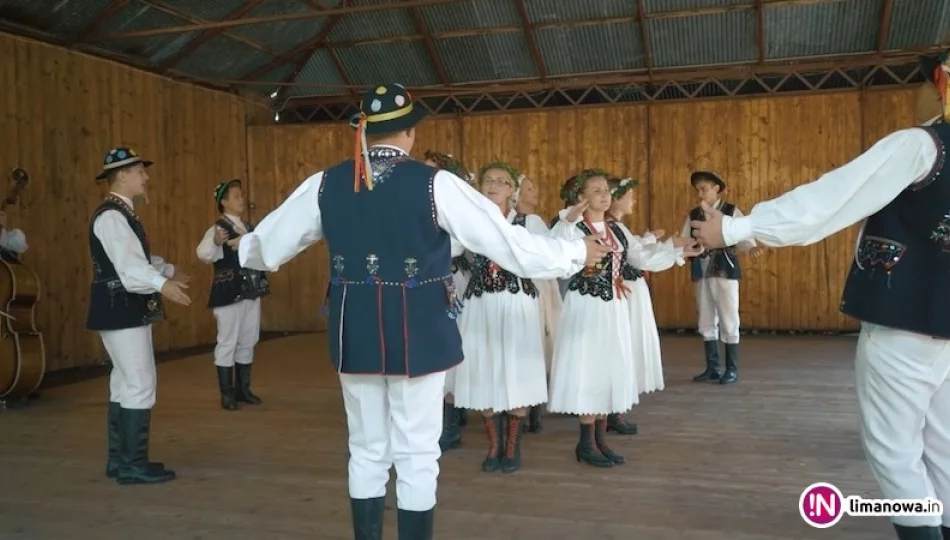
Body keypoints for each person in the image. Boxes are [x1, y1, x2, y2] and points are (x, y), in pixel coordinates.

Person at [235, 83, 609, 540]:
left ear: (366, 133)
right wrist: (573, 255)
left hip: (355, 331)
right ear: (410, 132)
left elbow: (264, 248)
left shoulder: (324, 183)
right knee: (416, 450)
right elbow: (511, 247)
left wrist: (242, 248)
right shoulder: (438, 185)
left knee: (367, 448)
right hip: (421, 327)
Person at [689, 53, 950, 540]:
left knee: (895, 451)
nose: (914, 94)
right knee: (943, 446)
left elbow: (833, 198)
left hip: (905, 319)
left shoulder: (922, 145)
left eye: (920, 83)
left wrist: (738, 226)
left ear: (939, 87)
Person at [548, 169, 700, 468]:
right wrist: (567, 221)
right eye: (596, 191)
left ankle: (600, 439)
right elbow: (556, 255)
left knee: (608, 367)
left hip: (613, 308)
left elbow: (642, 259)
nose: (604, 195)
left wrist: (677, 249)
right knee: (587, 368)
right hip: (585, 306)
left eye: (606, 190)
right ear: (581, 197)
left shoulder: (617, 230)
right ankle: (585, 441)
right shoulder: (571, 227)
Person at [86, 147, 191, 485]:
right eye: (140, 172)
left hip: (120, 309)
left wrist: (167, 271)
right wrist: (163, 284)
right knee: (140, 382)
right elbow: (130, 267)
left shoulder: (119, 214)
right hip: (122, 309)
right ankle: (131, 464)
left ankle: (120, 460)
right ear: (122, 175)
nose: (146, 178)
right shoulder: (112, 217)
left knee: (124, 382)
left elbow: (136, 259)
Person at [680, 170, 763, 385]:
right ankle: (713, 367)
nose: (700, 193)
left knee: (728, 316)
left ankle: (731, 369)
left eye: (704, 189)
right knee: (706, 316)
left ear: (716, 188)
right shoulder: (693, 215)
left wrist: (751, 247)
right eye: (698, 189)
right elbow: (683, 239)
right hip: (701, 268)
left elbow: (744, 234)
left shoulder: (730, 211)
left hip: (725, 268)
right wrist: (680, 251)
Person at [196, 179, 269, 410]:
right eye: (236, 196)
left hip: (251, 291)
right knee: (227, 341)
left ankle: (242, 389)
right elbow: (203, 254)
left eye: (241, 195)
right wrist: (217, 244)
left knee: (248, 338)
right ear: (224, 202)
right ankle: (226, 393)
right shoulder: (218, 228)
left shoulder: (249, 227)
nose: (242, 199)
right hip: (228, 292)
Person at [516, 175, 562, 433]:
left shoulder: (534, 221)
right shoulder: (525, 221)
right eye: (529, 189)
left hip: (539, 285)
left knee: (537, 340)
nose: (536, 193)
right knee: (536, 341)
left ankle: (531, 407)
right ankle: (531, 408)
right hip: (533, 285)